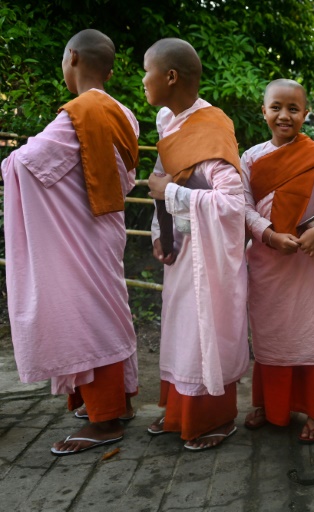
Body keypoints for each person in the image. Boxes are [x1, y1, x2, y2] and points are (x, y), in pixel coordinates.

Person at [2, 29, 139, 456]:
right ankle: (115, 403)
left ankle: (105, 421)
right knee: (104, 311)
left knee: (85, 317)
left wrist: (10, 159)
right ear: (110, 71)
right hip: (102, 230)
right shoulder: (124, 113)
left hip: (78, 236)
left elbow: (27, 164)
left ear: (72, 58)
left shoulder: (78, 114)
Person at [241, 79, 314, 444]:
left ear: (305, 114)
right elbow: (242, 206)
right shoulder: (251, 158)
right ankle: (268, 404)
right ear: (263, 111)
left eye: (293, 109)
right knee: (269, 335)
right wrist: (269, 235)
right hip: (268, 262)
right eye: (276, 107)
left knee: (308, 336)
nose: (284, 115)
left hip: (309, 265)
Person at [144, 38, 248, 451]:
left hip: (210, 253)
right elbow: (162, 172)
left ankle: (216, 418)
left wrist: (171, 194)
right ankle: (178, 413)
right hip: (183, 246)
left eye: (147, 72)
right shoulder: (167, 120)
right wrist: (159, 230)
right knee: (180, 328)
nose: (143, 81)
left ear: (170, 76)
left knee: (204, 329)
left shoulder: (211, 127)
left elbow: (232, 203)